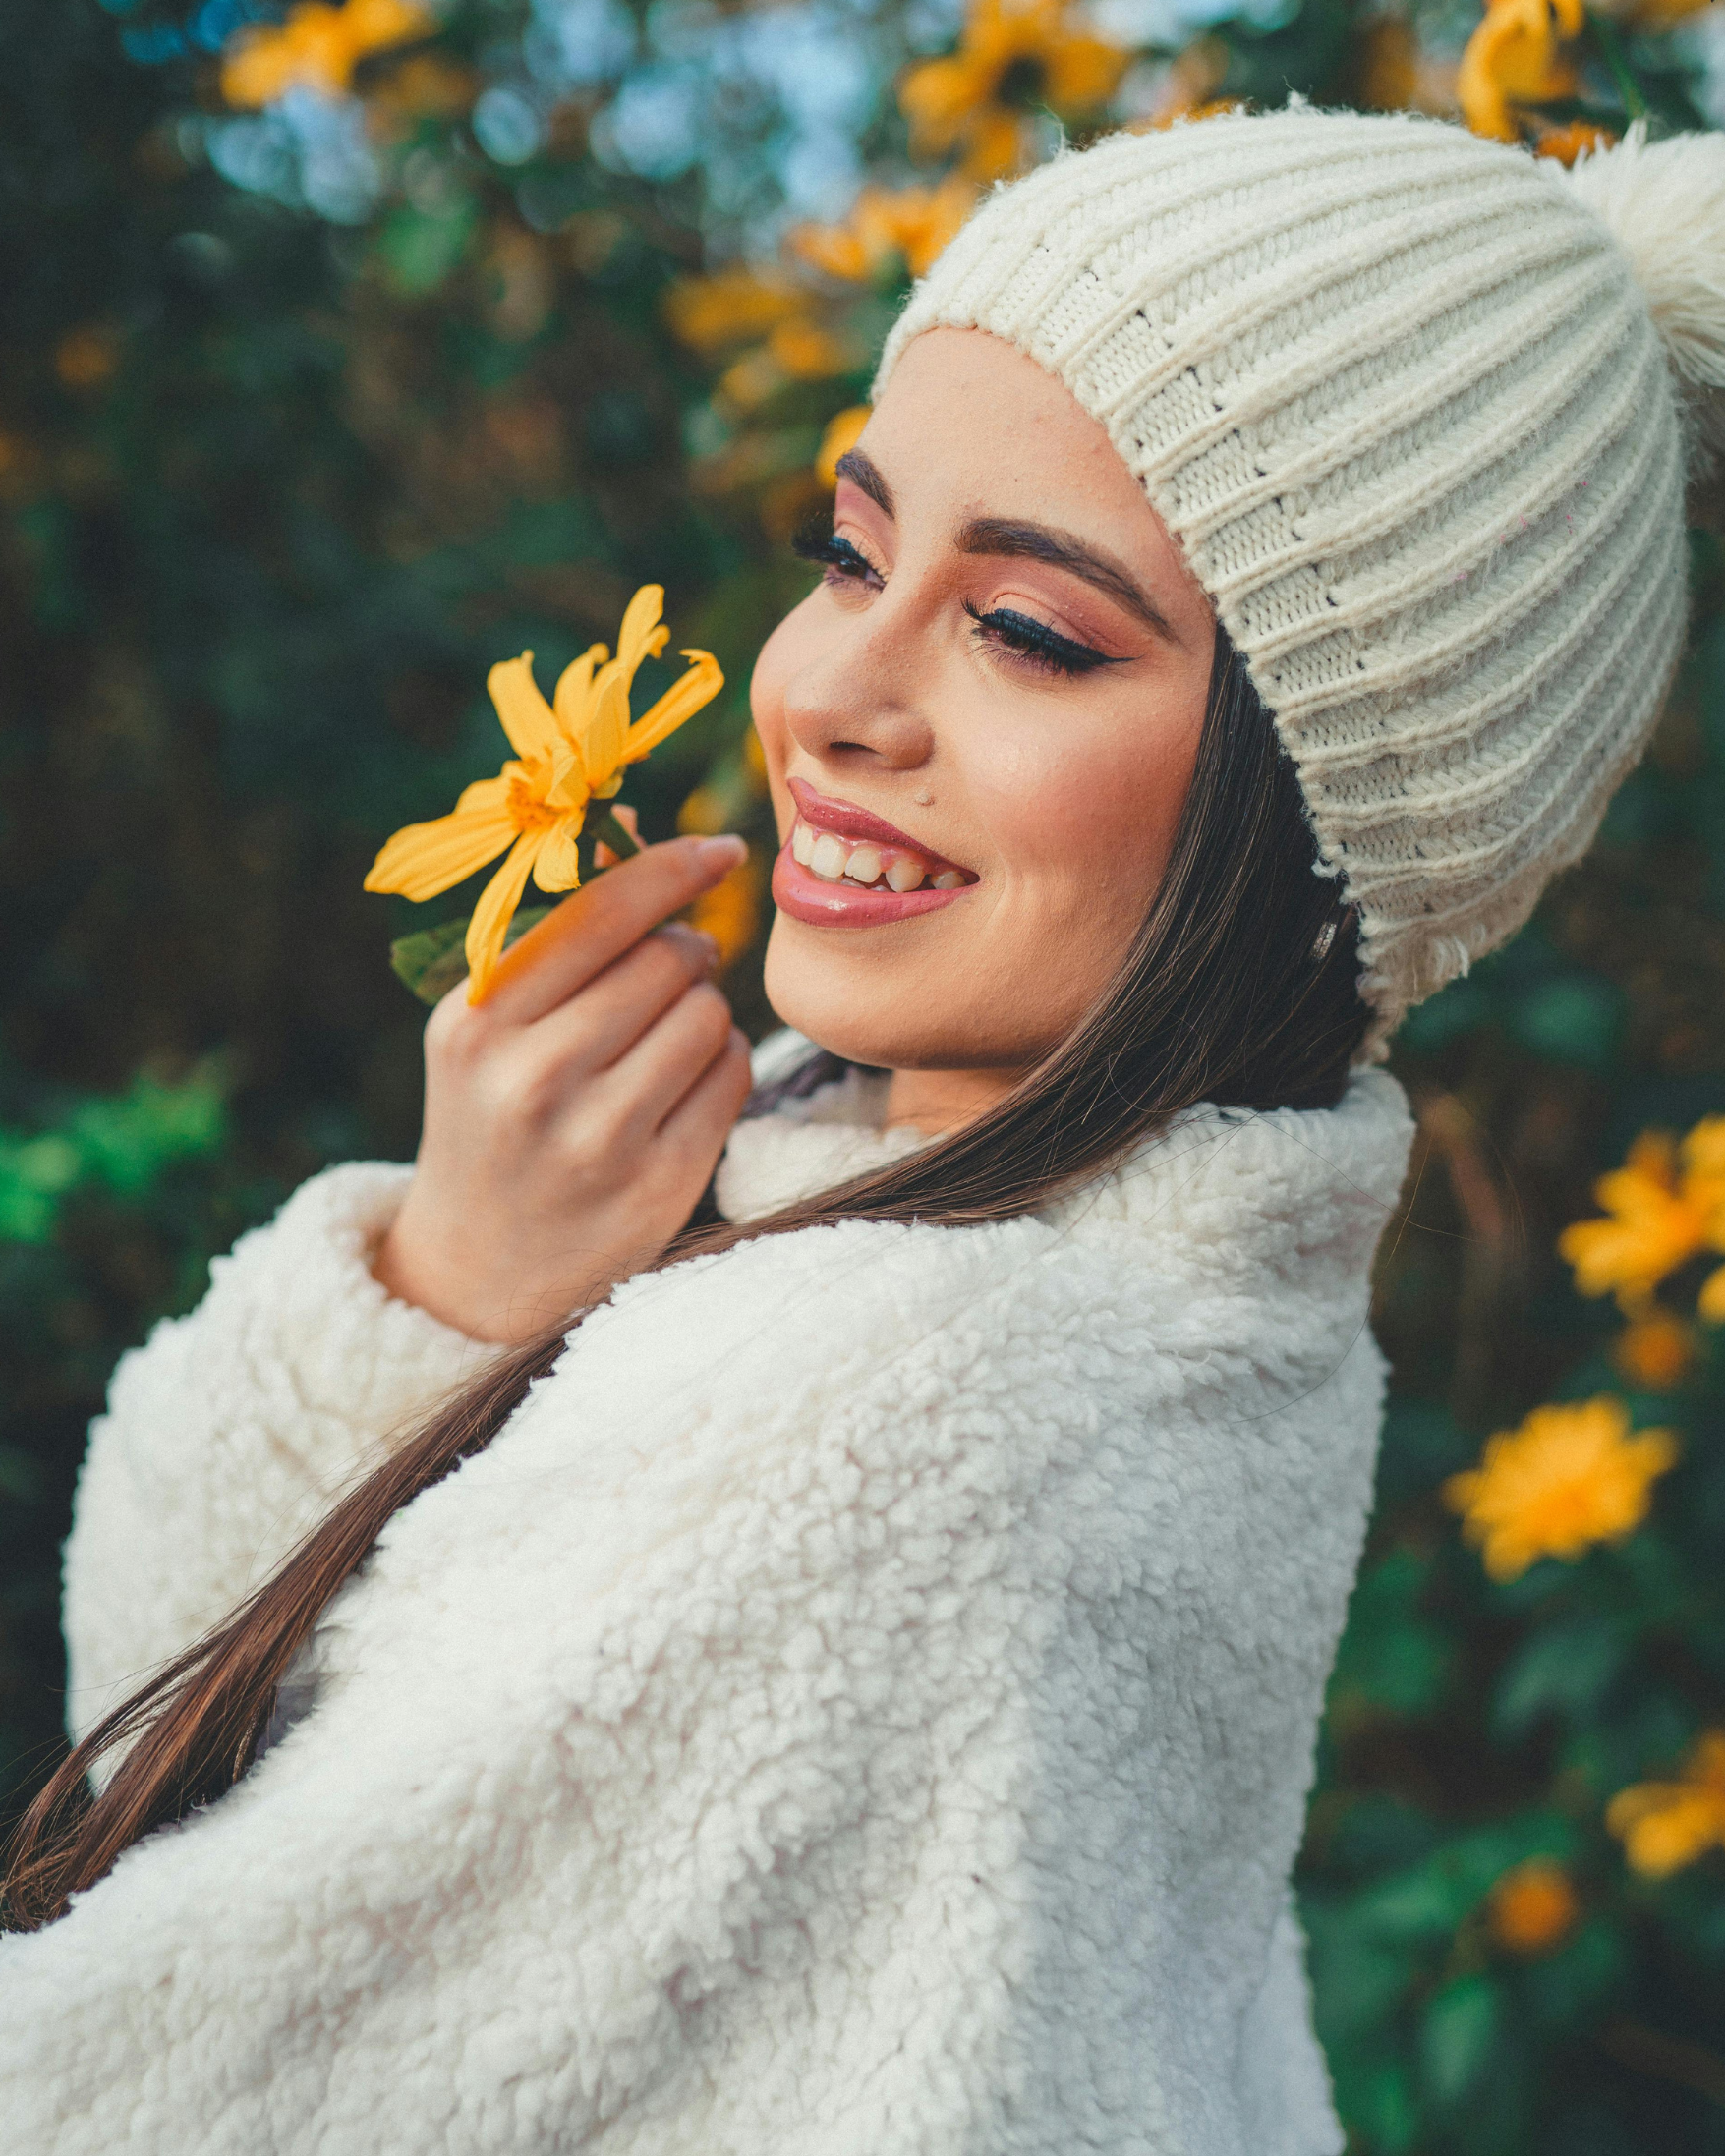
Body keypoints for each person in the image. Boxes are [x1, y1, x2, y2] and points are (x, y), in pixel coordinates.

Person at [3, 104, 1722, 2156]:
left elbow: (143, 2057)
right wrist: (439, 1290)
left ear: (1334, 833)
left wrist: (440, 1315)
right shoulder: (1168, 1323)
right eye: (851, 547)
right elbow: (202, 1769)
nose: (828, 685)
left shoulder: (885, 1413)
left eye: (1029, 630)